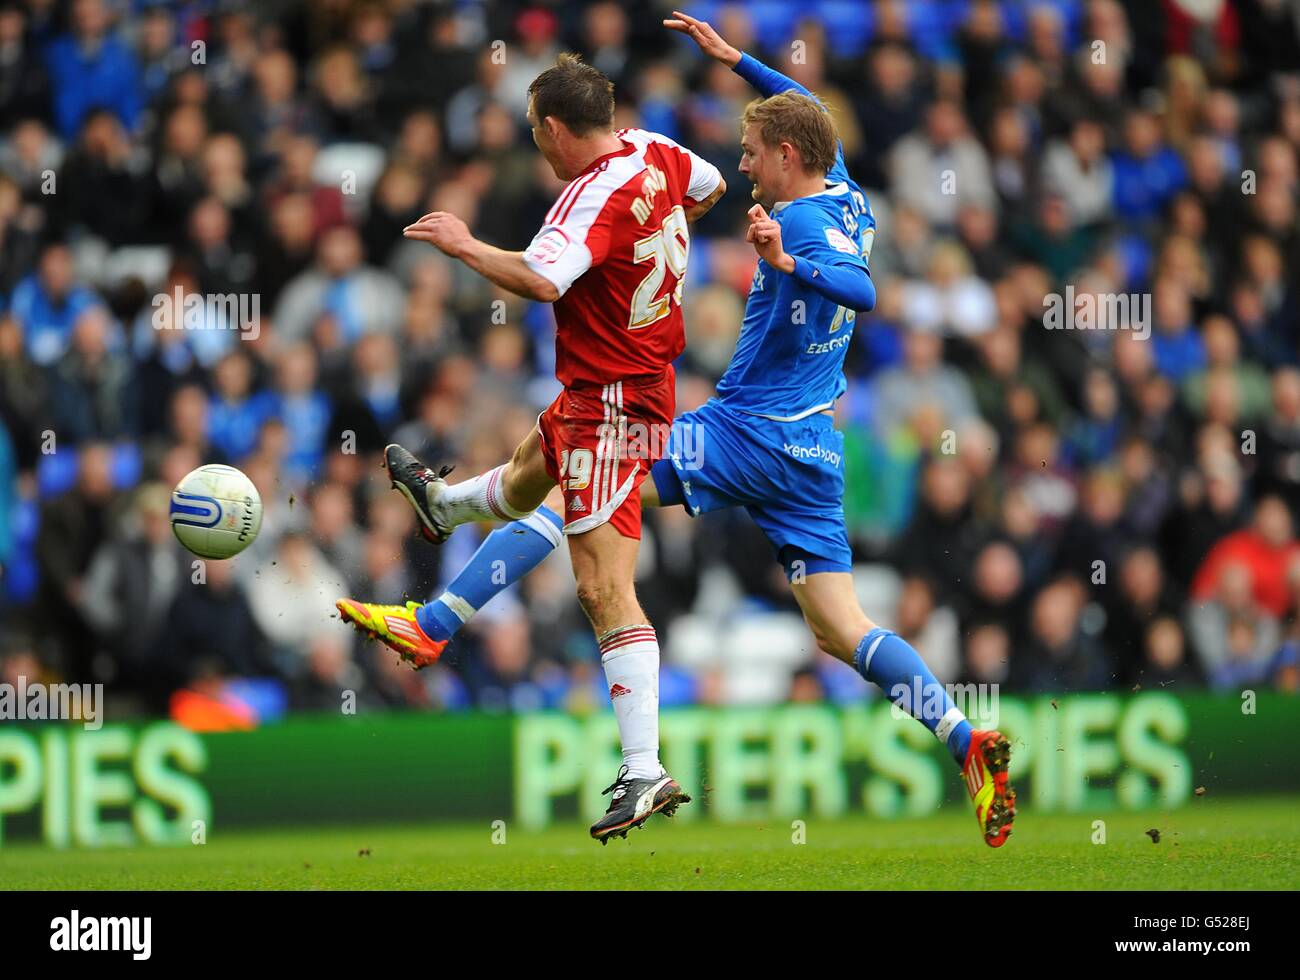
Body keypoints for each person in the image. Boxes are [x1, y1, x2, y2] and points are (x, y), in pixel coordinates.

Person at [335, 53, 727, 843]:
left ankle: (644, 767)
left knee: (603, 589)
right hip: (625, 385)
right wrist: (650, 247)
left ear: (552, 128)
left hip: (616, 399)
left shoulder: (583, 201)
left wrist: (463, 244)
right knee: (527, 474)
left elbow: (545, 281)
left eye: (533, 131)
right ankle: (442, 527)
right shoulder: (656, 152)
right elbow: (712, 187)